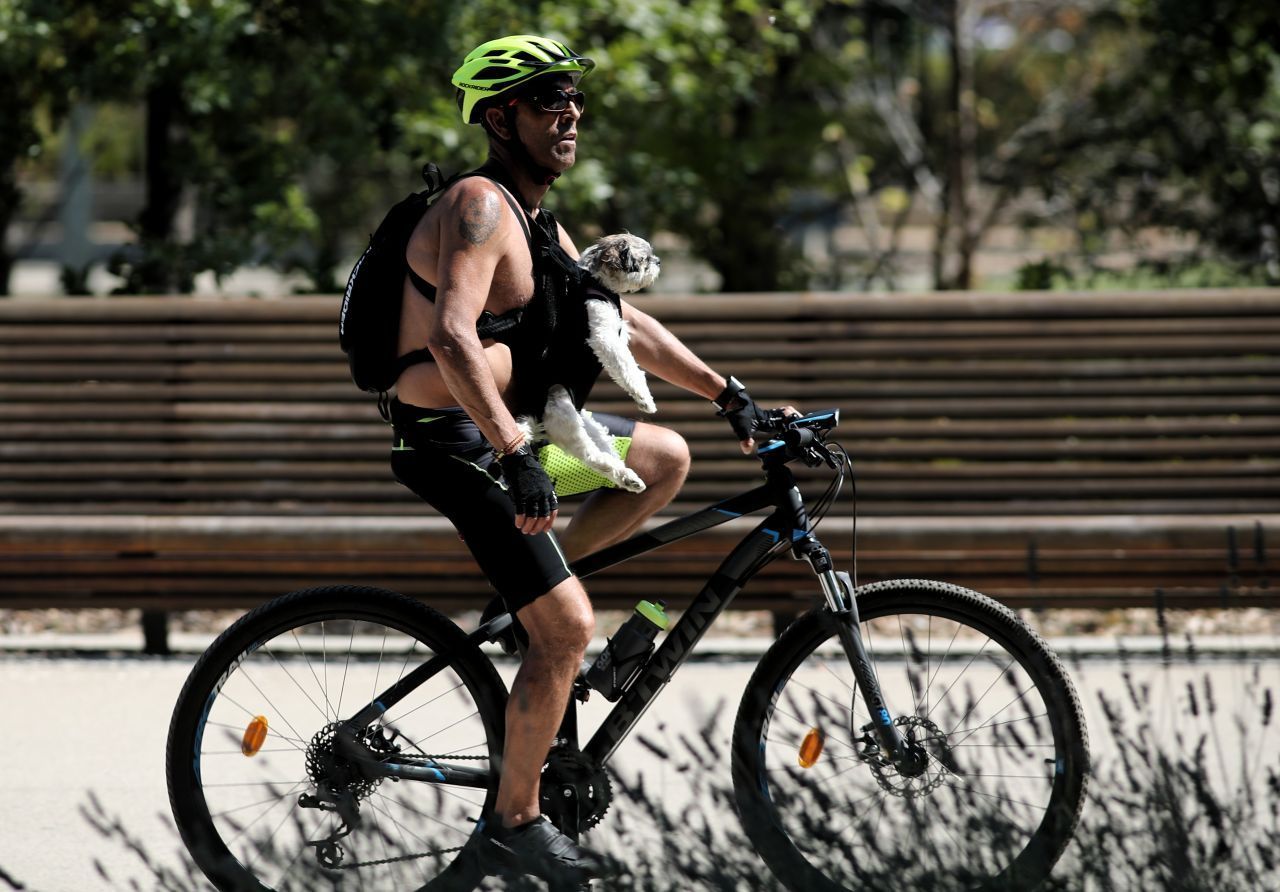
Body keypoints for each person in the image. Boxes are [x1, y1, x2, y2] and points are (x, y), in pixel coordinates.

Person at [388, 33, 783, 886]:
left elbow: (620, 325)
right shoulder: (479, 206)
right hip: (459, 446)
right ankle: (513, 825)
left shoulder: (541, 223)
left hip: (508, 439)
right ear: (500, 117)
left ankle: (528, 615)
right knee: (568, 628)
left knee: (665, 456)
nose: (569, 113)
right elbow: (454, 338)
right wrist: (518, 451)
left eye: (573, 98)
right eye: (547, 99)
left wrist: (728, 394)